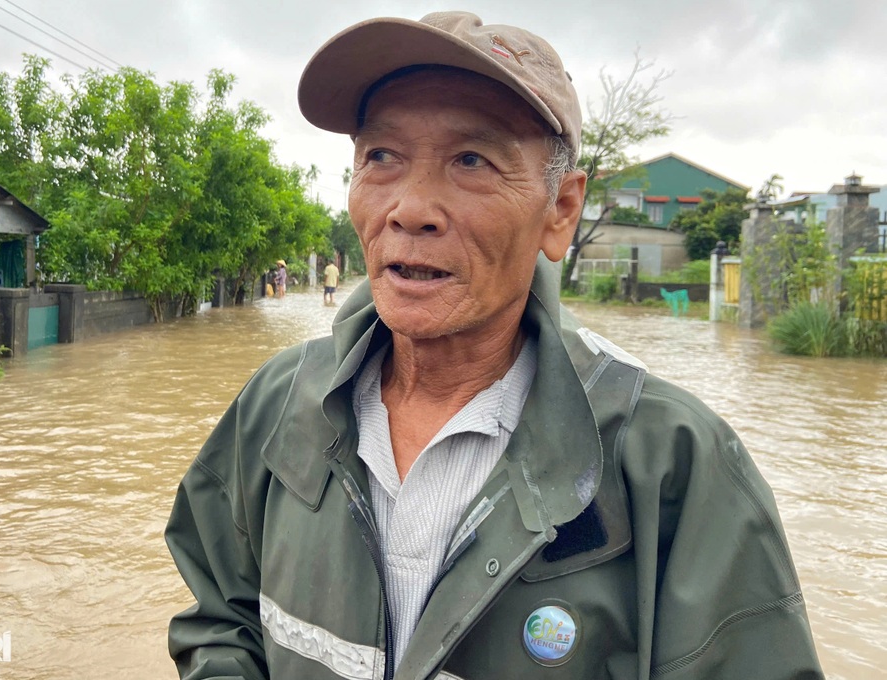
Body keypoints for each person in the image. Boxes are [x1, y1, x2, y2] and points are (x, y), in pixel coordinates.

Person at [166, 12, 823, 680]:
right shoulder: (278, 406)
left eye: (471, 161)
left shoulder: (670, 465)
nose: (410, 207)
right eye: (381, 157)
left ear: (560, 210)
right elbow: (222, 616)